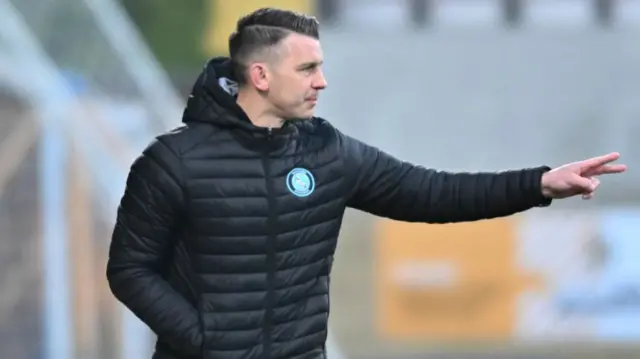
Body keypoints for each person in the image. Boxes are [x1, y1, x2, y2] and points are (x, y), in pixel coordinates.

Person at [106, 7, 627, 359]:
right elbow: (130, 269)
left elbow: (432, 193)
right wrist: (202, 338)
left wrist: (538, 184)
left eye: (321, 67)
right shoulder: (173, 160)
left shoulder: (326, 151)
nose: (322, 81)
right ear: (261, 76)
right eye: (307, 68)